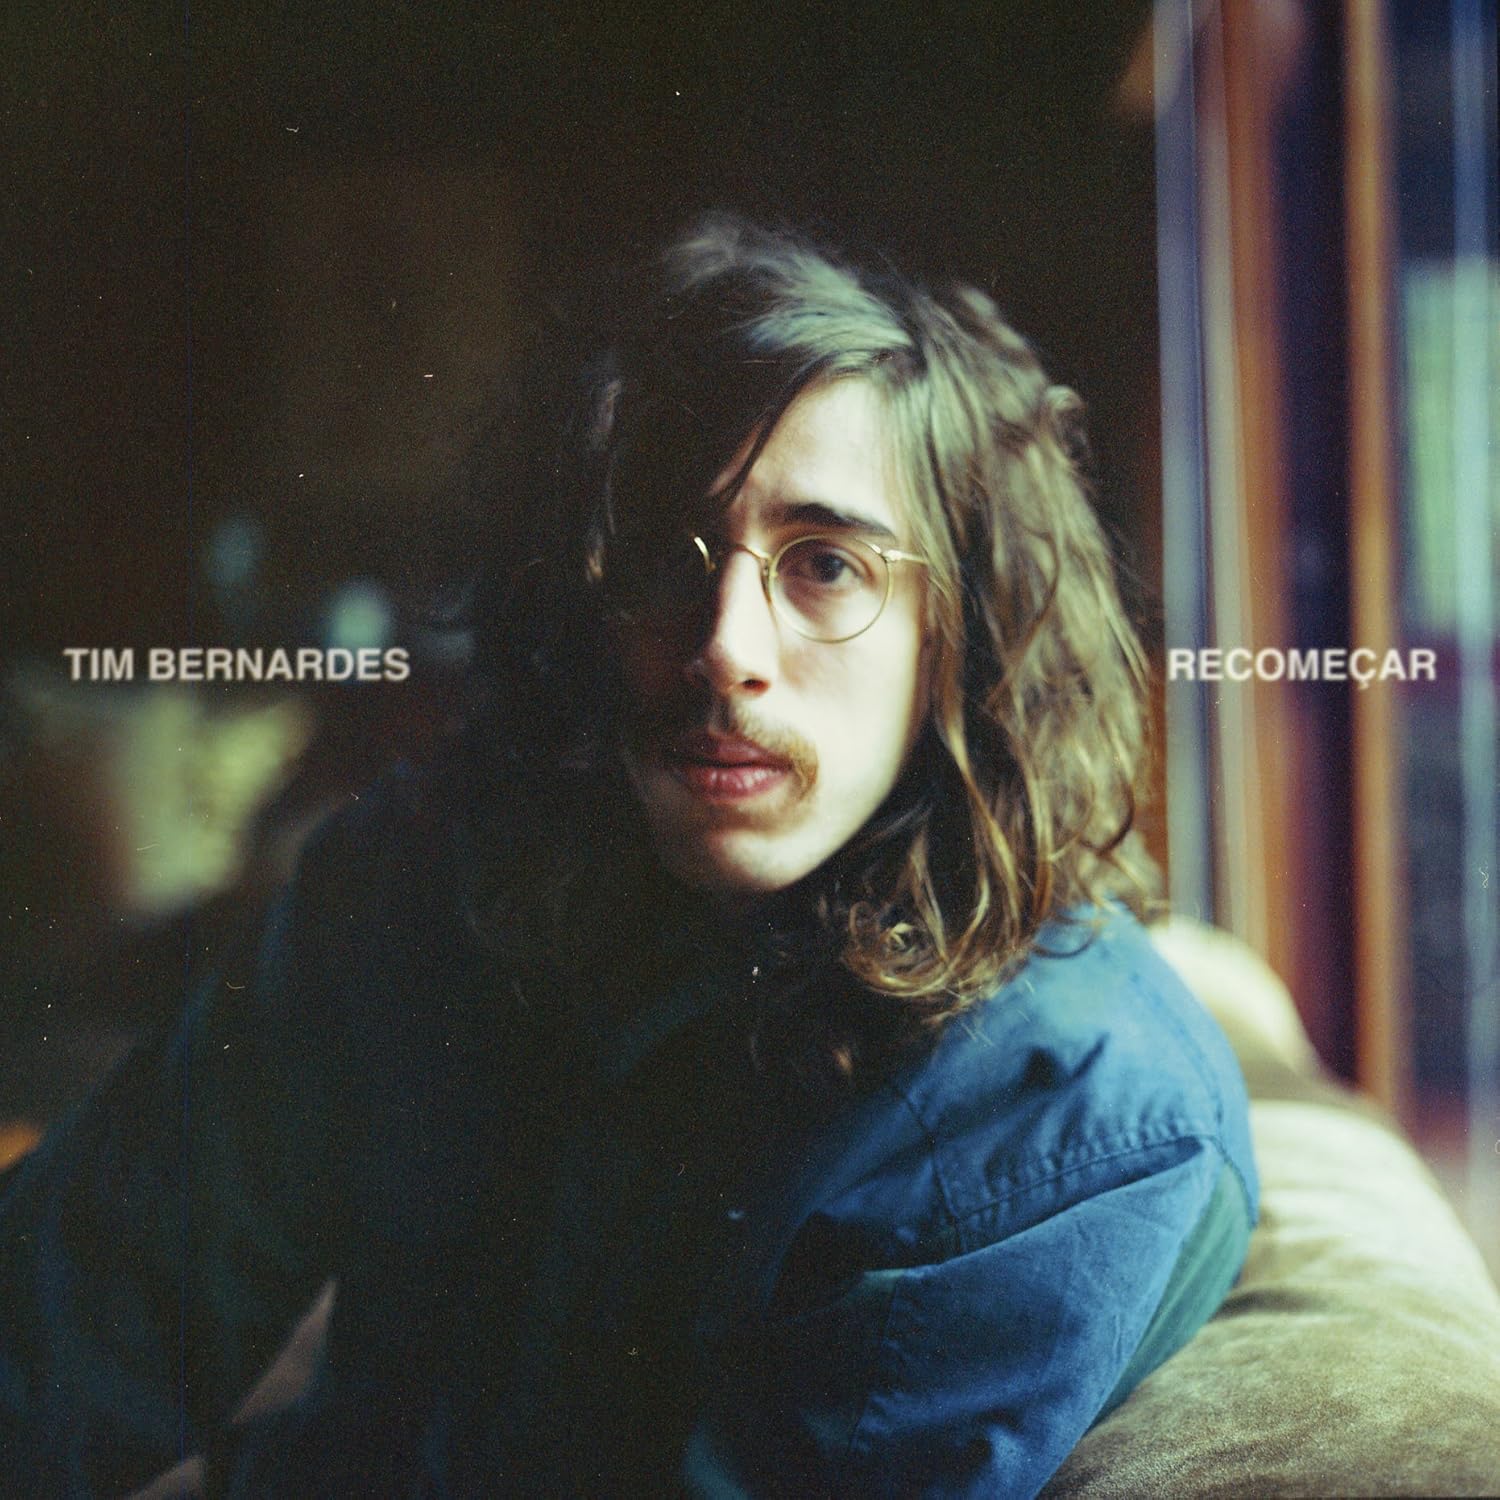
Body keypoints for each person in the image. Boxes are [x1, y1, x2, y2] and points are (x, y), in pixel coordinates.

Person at [0, 215, 1256, 1497]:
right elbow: (74, 1320)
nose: (725, 647)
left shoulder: (1065, 1121)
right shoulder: (420, 879)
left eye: (826, 565)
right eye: (664, 555)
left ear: (961, 631)